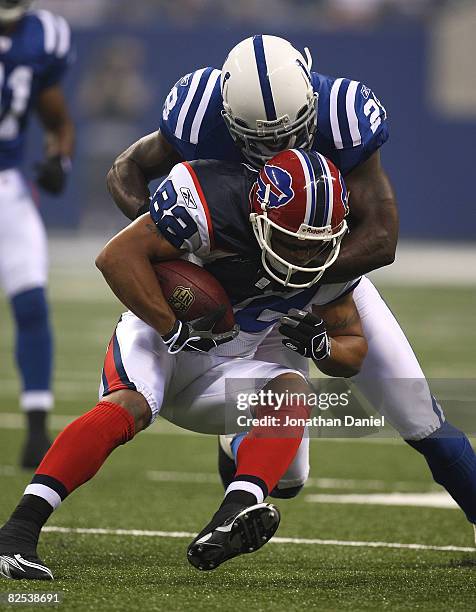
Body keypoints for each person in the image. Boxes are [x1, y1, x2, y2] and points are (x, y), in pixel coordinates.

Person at [106, 35, 476, 536]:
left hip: (322, 283)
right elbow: (126, 167)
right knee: (289, 479)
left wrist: (295, 274)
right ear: (227, 115)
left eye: (290, 134)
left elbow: (382, 237)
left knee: (418, 415)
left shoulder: (344, 113)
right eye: (256, 139)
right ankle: (239, 452)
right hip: (243, 291)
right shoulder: (198, 113)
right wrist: (174, 242)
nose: (275, 150)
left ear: (311, 106)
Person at [0, 149, 368, 579]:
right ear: (259, 215)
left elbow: (354, 347)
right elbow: (115, 257)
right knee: (127, 407)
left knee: (291, 396)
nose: (304, 256)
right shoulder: (211, 201)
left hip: (229, 363)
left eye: (315, 245)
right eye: (291, 241)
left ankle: (229, 516)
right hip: (161, 339)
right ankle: (17, 534)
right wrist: (172, 326)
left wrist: (324, 348)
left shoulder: (332, 253)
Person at [0, 0, 74, 467]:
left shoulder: (41, 36)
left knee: (31, 301)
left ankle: (36, 423)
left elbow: (58, 121)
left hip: (6, 184)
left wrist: (58, 159)